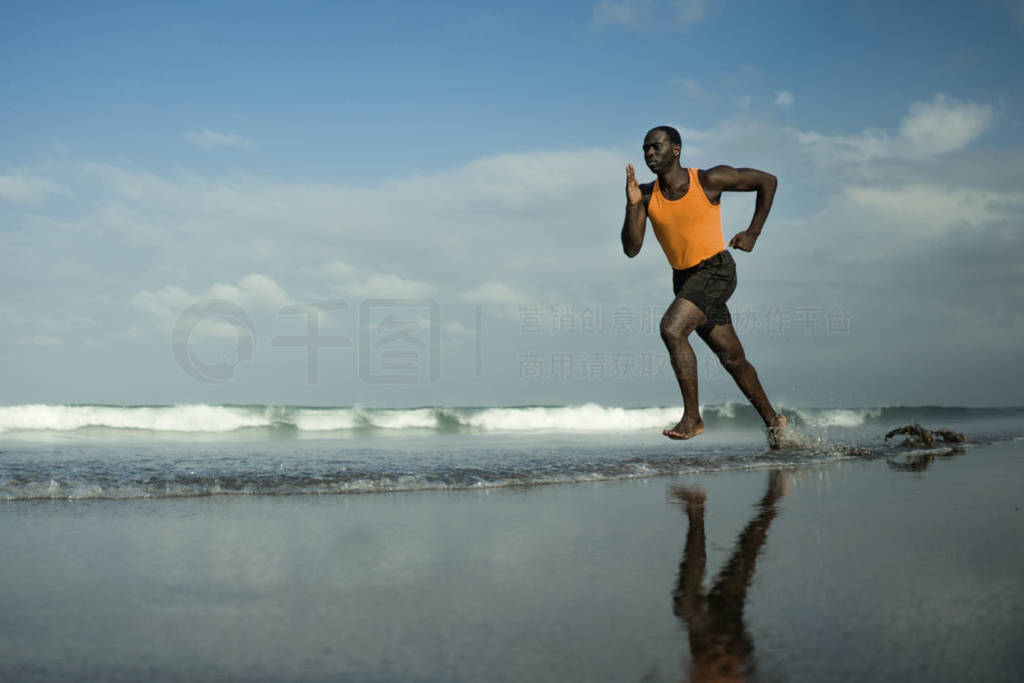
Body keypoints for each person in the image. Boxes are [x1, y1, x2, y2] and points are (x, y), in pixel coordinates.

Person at [621, 125, 786, 447]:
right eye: (645, 149)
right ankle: (774, 421)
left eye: (656, 147)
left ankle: (692, 418)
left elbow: (768, 181)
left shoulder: (708, 180)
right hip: (685, 279)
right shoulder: (643, 194)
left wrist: (754, 231)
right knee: (733, 358)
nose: (649, 154)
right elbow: (632, 248)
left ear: (676, 149)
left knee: (672, 329)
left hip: (716, 270)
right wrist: (632, 207)